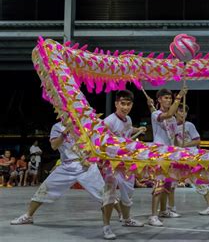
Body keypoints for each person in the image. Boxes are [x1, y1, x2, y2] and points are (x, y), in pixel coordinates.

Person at [10, 119, 108, 237]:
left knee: (105, 195)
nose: (63, 112)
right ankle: (28, 216)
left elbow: (96, 144)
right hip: (66, 166)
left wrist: (91, 158)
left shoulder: (85, 123)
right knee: (44, 188)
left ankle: (123, 217)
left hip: (86, 166)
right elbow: (54, 146)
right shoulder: (57, 126)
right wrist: (65, 132)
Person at [102, 90, 147, 239]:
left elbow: (127, 131)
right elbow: (99, 140)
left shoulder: (128, 119)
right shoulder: (108, 121)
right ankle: (107, 227)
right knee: (109, 195)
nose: (125, 107)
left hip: (127, 163)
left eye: (128, 104)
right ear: (116, 103)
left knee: (128, 195)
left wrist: (138, 129)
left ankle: (127, 220)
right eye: (122, 103)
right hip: (112, 164)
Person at [147, 87, 187, 227]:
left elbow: (175, 137)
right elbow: (169, 113)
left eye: (170, 98)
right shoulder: (156, 114)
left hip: (171, 153)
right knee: (159, 184)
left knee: (168, 184)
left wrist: (180, 151)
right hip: (159, 152)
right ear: (159, 100)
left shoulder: (173, 120)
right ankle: (153, 216)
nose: (168, 100)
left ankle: (164, 211)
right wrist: (179, 97)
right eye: (166, 98)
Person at [175, 104, 209, 215]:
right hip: (179, 157)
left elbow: (197, 141)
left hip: (191, 156)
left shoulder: (189, 125)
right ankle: (170, 207)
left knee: (199, 181)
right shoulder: (172, 126)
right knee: (172, 182)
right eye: (180, 111)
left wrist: (185, 144)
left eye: (185, 112)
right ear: (175, 112)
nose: (183, 114)